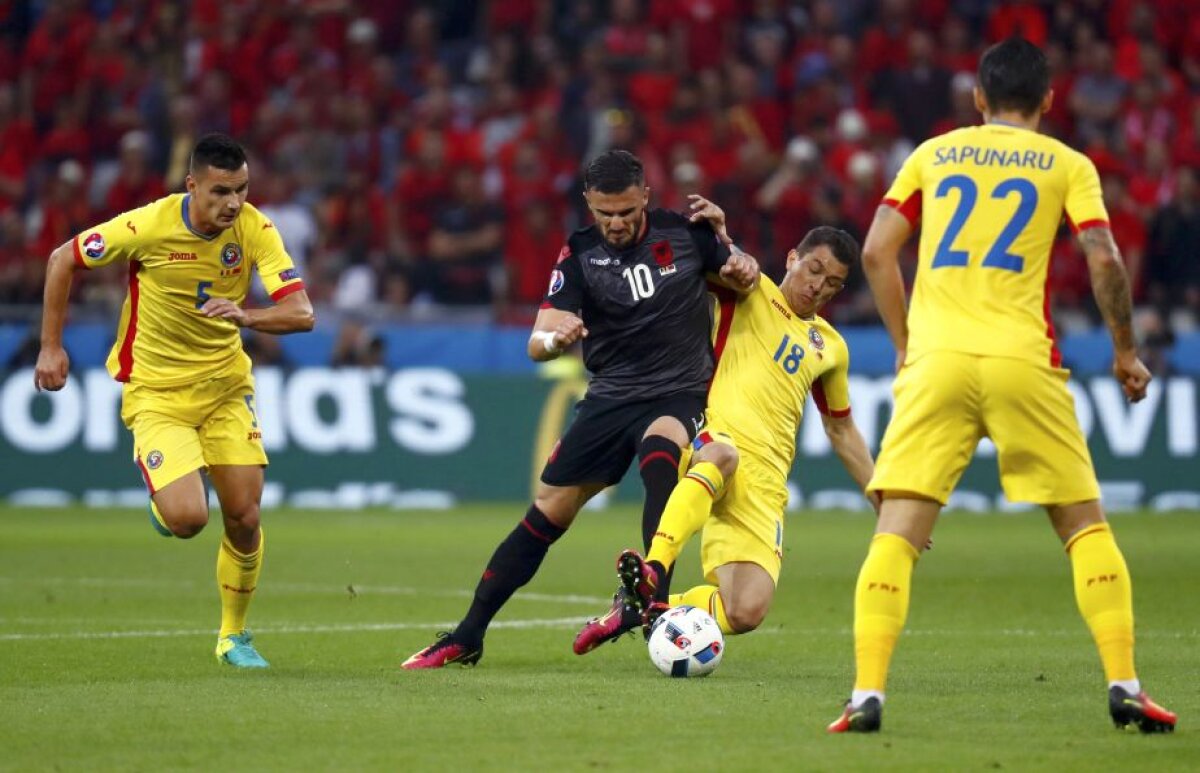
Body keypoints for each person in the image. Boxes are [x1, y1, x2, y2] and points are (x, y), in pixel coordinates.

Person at [827, 38, 1176, 734]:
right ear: (1049, 100)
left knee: (896, 535)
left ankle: (867, 693)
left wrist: (904, 344)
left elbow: (873, 250)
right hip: (1023, 358)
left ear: (978, 99)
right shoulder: (1068, 164)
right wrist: (1125, 351)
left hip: (939, 361)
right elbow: (1102, 256)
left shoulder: (934, 153)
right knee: (1083, 526)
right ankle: (1125, 682)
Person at [402, 149, 759, 669]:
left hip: (679, 391)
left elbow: (742, 276)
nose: (615, 224)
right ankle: (468, 634)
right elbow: (538, 341)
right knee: (549, 509)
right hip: (610, 398)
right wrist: (555, 340)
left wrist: (739, 253)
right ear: (589, 205)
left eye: (625, 213)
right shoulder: (579, 254)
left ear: (645, 198)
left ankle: (653, 599)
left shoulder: (686, 234)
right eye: (604, 213)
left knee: (663, 449)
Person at [34, 133, 315, 669]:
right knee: (188, 519)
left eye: (242, 189)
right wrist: (51, 347)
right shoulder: (148, 225)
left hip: (227, 390)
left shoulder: (254, 229)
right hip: (159, 393)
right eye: (220, 191)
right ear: (192, 186)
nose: (233, 203)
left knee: (246, 516)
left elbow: (302, 313)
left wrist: (248, 316)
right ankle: (167, 499)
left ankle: (233, 637)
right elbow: (61, 260)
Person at [574, 214, 879, 655]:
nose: (819, 286)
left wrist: (878, 494)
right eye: (814, 270)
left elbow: (840, 426)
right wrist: (720, 232)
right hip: (710, 438)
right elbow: (703, 260)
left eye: (832, 283)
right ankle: (654, 573)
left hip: (765, 483)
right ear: (793, 258)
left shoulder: (831, 346)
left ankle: (638, 608)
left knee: (745, 611)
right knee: (721, 456)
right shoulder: (751, 291)